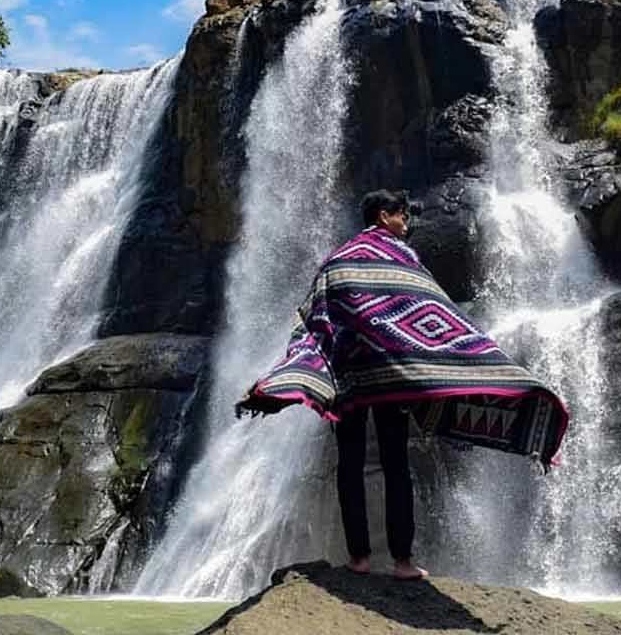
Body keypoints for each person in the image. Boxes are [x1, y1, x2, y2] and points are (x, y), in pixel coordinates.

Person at [236, 189, 569, 581]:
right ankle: (402, 562)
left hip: (349, 381)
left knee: (350, 465)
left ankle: (359, 559)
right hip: (393, 377)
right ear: (383, 215)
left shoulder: (337, 258)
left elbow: (319, 315)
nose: (407, 225)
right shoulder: (402, 256)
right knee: (396, 464)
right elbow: (429, 308)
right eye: (403, 217)